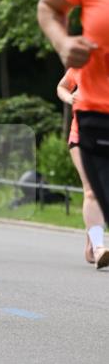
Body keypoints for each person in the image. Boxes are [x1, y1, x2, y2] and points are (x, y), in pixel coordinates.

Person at [37, 0, 109, 257]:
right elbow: (49, 7)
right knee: (92, 192)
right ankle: (97, 244)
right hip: (97, 118)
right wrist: (64, 44)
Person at [56, 68, 109, 268]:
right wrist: (70, 98)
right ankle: (98, 247)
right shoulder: (83, 60)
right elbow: (62, 87)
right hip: (82, 136)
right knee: (91, 191)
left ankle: (91, 244)